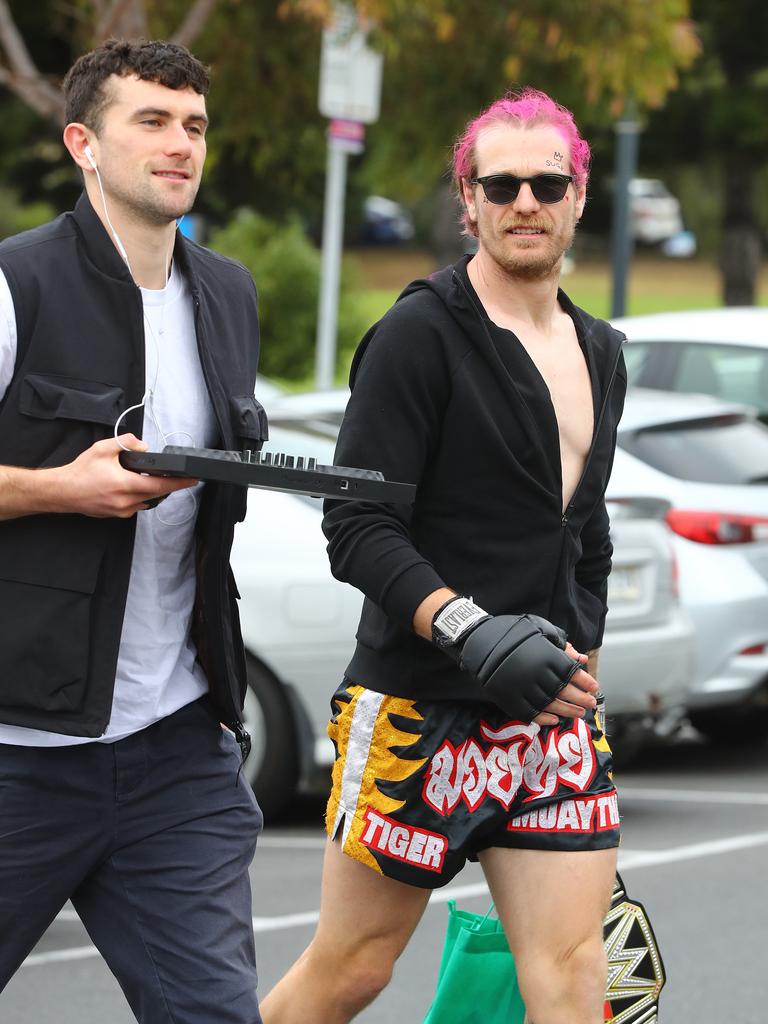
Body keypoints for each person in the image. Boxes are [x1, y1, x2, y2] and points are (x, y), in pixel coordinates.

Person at [262, 88, 627, 1024]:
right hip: (416, 705)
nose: (525, 202)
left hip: (549, 718)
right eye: (499, 184)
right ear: (466, 200)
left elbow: (582, 529)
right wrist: (471, 631)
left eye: (548, 182)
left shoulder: (601, 350)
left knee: (576, 967)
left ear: (581, 195)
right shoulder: (419, 334)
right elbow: (357, 527)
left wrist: (577, 652)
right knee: (353, 968)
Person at [0, 40, 266, 1023]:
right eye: (150, 121)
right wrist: (53, 488)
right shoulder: (13, 285)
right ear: (84, 143)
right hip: (17, 745)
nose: (179, 142)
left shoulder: (228, 294)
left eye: (193, 123)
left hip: (176, 747)